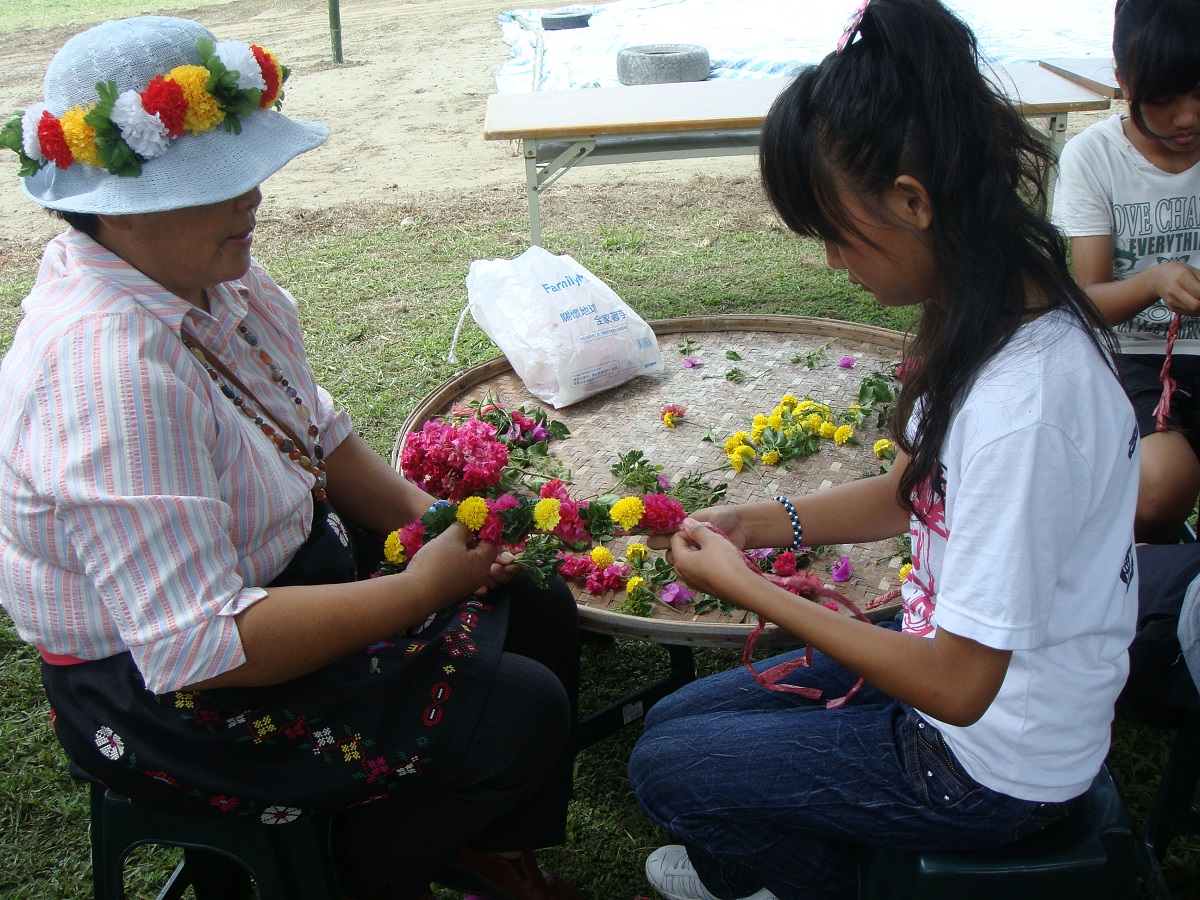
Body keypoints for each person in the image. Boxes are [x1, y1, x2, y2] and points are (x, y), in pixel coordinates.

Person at [0, 16, 581, 900]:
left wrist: (436, 528)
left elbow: (316, 431)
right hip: (166, 694)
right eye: (218, 183)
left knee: (533, 597)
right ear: (116, 210)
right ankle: (315, 875)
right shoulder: (109, 372)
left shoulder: (217, 273)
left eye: (249, 173)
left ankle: (459, 836)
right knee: (517, 716)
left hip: (280, 591)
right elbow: (199, 647)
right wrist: (420, 587)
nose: (253, 200)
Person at [626, 1, 1140, 899]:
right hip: (944, 660)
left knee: (669, 770)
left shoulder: (1028, 403)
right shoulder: (984, 309)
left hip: (990, 765)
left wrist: (755, 595)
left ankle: (834, 881)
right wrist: (763, 522)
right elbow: (910, 494)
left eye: (834, 231)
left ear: (911, 199)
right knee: (672, 725)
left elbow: (959, 687)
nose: (832, 262)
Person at [1051, 0, 1200, 544]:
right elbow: (1088, 300)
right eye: (1162, 100)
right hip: (1132, 357)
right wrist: (1155, 281)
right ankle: (1127, 546)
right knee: (1162, 485)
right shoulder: (1093, 158)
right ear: (1122, 81)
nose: (1187, 117)